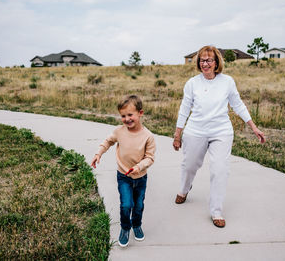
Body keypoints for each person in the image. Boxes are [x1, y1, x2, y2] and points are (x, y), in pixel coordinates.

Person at [173, 45, 265, 228]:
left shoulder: (227, 82)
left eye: (209, 60)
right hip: (195, 130)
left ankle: (216, 211)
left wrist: (253, 127)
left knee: (220, 170)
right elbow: (184, 108)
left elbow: (238, 105)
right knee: (189, 165)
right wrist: (177, 134)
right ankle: (184, 189)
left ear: (217, 63)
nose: (205, 63)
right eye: (202, 60)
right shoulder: (192, 83)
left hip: (221, 131)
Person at [91, 95, 156, 247]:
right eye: (123, 116)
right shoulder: (119, 132)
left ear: (140, 113)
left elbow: (150, 158)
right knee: (126, 204)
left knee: (138, 205)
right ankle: (125, 228)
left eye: (130, 115)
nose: (127, 119)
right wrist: (98, 153)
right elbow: (108, 141)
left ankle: (136, 224)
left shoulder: (148, 136)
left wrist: (139, 166)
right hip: (124, 176)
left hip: (140, 177)